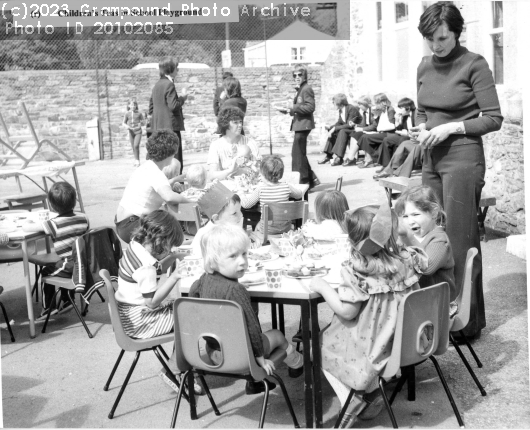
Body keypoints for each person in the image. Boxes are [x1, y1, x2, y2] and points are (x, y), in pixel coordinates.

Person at [413, 2, 503, 338]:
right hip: (430, 157)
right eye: (430, 40)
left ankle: (466, 323)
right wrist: (420, 129)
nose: (435, 46)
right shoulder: (424, 66)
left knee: (460, 239)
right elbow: (421, 110)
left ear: (456, 33)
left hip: (463, 159)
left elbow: (493, 118)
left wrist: (452, 128)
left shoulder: (474, 64)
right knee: (428, 236)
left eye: (441, 38)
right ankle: (435, 318)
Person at [309, 203, 427, 428]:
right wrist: (403, 236)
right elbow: (422, 257)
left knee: (319, 344)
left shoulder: (358, 272)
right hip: (404, 341)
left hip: (372, 345)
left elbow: (348, 311)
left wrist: (323, 287)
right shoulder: (409, 260)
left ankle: (353, 399)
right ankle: (369, 392)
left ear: (352, 240)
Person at [190, 223, 304, 395]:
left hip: (213, 353)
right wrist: (260, 359)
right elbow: (252, 328)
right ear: (213, 262)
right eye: (233, 256)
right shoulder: (236, 291)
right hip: (242, 358)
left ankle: (257, 381)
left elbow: (192, 301)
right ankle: (297, 363)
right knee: (278, 335)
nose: (242, 261)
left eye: (244, 254)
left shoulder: (201, 281)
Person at [22, 182, 90, 320]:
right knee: (59, 264)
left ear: (51, 206)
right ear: (75, 201)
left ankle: (49, 307)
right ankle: (66, 300)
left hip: (71, 265)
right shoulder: (84, 218)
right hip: (86, 262)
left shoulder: (53, 224)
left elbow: (27, 228)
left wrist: (28, 222)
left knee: (47, 270)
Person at [115, 210, 184, 339]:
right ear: (159, 241)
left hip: (127, 313)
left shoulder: (135, 245)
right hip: (139, 322)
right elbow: (152, 302)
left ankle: (178, 357)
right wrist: (175, 276)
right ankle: (178, 358)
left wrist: (174, 257)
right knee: (189, 318)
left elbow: (157, 270)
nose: (170, 250)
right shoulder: (146, 268)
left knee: (182, 307)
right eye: (170, 246)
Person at [115, 130, 192, 244]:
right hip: (133, 225)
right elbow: (169, 197)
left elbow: (152, 188)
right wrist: (190, 201)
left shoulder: (146, 167)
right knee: (169, 224)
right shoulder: (156, 173)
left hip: (122, 222)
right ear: (170, 154)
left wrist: (173, 181)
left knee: (163, 215)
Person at [395, 185, 458, 315]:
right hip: (421, 298)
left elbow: (426, 268)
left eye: (415, 214)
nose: (410, 221)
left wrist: (408, 237)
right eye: (405, 216)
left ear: (434, 212)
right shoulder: (414, 237)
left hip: (438, 304)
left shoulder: (439, 240)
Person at [240, 155, 303, 239]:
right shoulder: (286, 186)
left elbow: (246, 205)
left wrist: (241, 195)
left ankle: (259, 242)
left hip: (267, 230)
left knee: (257, 224)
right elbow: (299, 194)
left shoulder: (260, 189)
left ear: (263, 174)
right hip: (285, 228)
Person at [278, 66, 320, 188]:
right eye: (294, 75)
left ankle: (303, 182)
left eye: (299, 75)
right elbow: (300, 108)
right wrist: (288, 110)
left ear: (304, 76)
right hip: (300, 125)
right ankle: (311, 180)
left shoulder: (306, 89)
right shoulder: (301, 88)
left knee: (297, 154)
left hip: (304, 125)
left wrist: (293, 107)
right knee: (299, 153)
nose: (297, 77)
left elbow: (311, 107)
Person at [149, 57, 187, 174]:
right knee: (176, 160)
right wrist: (183, 98)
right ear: (171, 68)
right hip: (171, 128)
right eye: (177, 68)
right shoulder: (169, 84)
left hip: (158, 128)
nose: (178, 70)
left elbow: (151, 107)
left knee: (163, 160)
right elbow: (173, 105)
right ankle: (177, 187)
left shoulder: (157, 85)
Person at [207, 106, 261, 181]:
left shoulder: (250, 143)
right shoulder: (216, 146)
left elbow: (259, 170)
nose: (240, 125)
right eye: (235, 122)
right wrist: (230, 171)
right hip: (226, 188)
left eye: (240, 122)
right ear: (225, 124)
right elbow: (211, 176)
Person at [191, 182, 244, 256]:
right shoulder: (205, 237)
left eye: (240, 210)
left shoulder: (231, 230)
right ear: (216, 218)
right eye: (234, 213)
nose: (241, 215)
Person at [318, 94, 362, 166]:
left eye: (334, 103)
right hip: (349, 130)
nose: (333, 104)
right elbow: (339, 123)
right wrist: (331, 127)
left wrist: (334, 128)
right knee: (333, 131)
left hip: (356, 130)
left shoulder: (351, 108)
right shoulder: (341, 110)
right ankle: (328, 156)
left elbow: (349, 125)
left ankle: (339, 157)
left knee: (342, 131)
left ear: (339, 103)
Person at [375, 97, 417, 171]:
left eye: (401, 108)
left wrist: (407, 133)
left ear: (408, 108)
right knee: (387, 139)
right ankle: (386, 165)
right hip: (407, 135)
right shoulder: (405, 116)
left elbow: (418, 130)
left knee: (402, 139)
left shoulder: (416, 114)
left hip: (414, 137)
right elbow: (399, 129)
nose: (399, 110)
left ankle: (397, 166)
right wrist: (397, 121)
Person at [357, 93, 396, 169]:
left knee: (365, 137)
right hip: (382, 132)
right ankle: (372, 158)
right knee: (363, 136)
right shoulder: (382, 110)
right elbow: (379, 124)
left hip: (388, 133)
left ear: (383, 102)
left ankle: (372, 159)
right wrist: (376, 116)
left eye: (377, 103)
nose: (376, 105)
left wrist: (379, 129)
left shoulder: (390, 110)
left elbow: (392, 125)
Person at [342, 95, 375, 166]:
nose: (359, 106)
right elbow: (363, 124)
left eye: (360, 104)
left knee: (358, 134)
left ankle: (351, 158)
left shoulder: (372, 111)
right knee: (354, 133)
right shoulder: (364, 112)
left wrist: (362, 129)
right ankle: (351, 157)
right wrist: (355, 124)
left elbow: (374, 126)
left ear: (365, 104)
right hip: (368, 130)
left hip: (375, 131)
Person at [122, 98, 145, 167]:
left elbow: (144, 122)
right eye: (131, 105)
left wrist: (141, 123)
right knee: (133, 147)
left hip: (138, 131)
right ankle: (136, 160)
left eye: (134, 105)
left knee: (136, 145)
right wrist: (126, 126)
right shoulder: (127, 113)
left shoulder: (139, 113)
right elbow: (123, 123)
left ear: (136, 105)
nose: (133, 106)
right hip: (131, 132)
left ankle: (137, 161)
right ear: (129, 105)